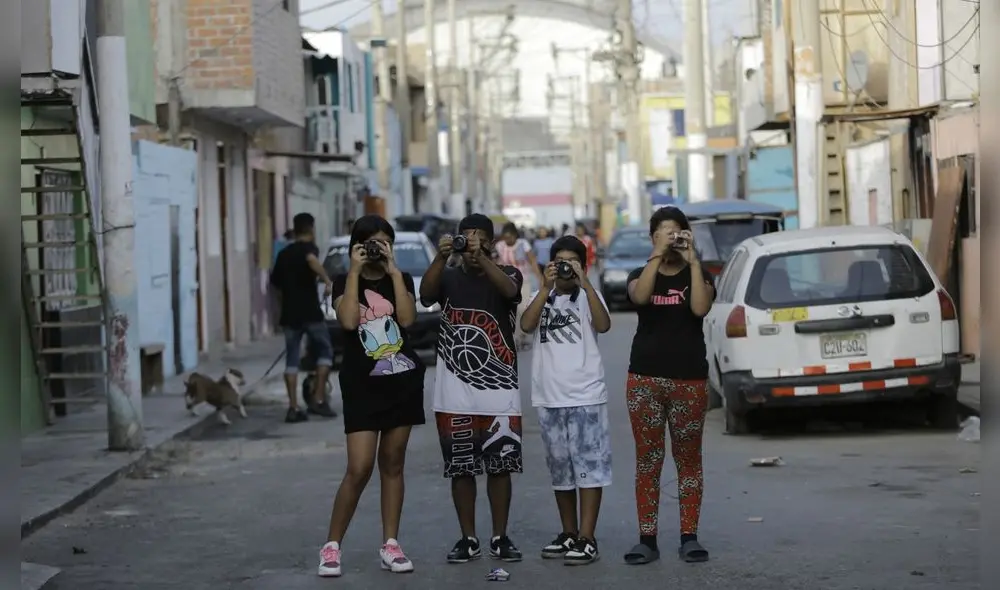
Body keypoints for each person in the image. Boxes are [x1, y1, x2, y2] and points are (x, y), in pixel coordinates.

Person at [317, 215, 426, 577]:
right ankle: (331, 546)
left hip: (401, 382)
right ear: (357, 246)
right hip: (361, 385)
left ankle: (391, 545)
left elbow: (407, 320)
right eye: (370, 243)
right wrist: (353, 271)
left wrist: (393, 271)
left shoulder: (402, 278)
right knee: (359, 467)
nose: (377, 249)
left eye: (383, 242)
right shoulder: (342, 281)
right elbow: (349, 321)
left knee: (393, 464)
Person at [419, 213, 526, 564]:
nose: (471, 244)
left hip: (500, 391)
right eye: (466, 237)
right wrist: (440, 257)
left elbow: (510, 292)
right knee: (461, 468)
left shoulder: (507, 273)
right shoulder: (449, 276)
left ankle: (500, 537)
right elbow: (426, 295)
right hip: (454, 392)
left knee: (500, 466)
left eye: (479, 237)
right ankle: (468, 539)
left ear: (492, 242)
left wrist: (483, 258)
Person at [621, 206, 715, 565]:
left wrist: (694, 262)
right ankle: (647, 539)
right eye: (665, 232)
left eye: (678, 232)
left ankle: (689, 537)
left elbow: (700, 309)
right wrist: (657, 255)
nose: (673, 238)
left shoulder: (699, 274)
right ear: (652, 237)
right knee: (648, 461)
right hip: (645, 379)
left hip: (690, 380)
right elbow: (640, 297)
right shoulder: (639, 273)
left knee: (688, 460)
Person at [520, 236, 612, 565]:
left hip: (586, 395)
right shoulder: (541, 296)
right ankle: (569, 532)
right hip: (549, 396)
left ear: (583, 266)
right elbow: (526, 325)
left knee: (590, 469)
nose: (565, 268)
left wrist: (586, 283)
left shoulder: (589, 296)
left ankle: (587, 537)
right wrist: (545, 288)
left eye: (572, 262)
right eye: (560, 261)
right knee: (561, 470)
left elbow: (604, 324)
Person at [269, 213, 338, 423]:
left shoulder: (283, 254)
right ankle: (318, 399)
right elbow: (311, 260)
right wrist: (327, 280)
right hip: (310, 312)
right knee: (325, 352)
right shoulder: (310, 249)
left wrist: (281, 309)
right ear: (310, 229)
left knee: (291, 360)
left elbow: (275, 286)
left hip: (290, 315)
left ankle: (293, 407)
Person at [495, 222, 543, 349]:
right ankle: (512, 338)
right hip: (506, 282)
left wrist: (540, 278)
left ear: (515, 235)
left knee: (522, 309)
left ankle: (521, 336)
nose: (508, 240)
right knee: (508, 311)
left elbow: (532, 261)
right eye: (505, 237)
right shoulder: (499, 246)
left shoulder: (523, 244)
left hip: (523, 281)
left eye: (510, 237)